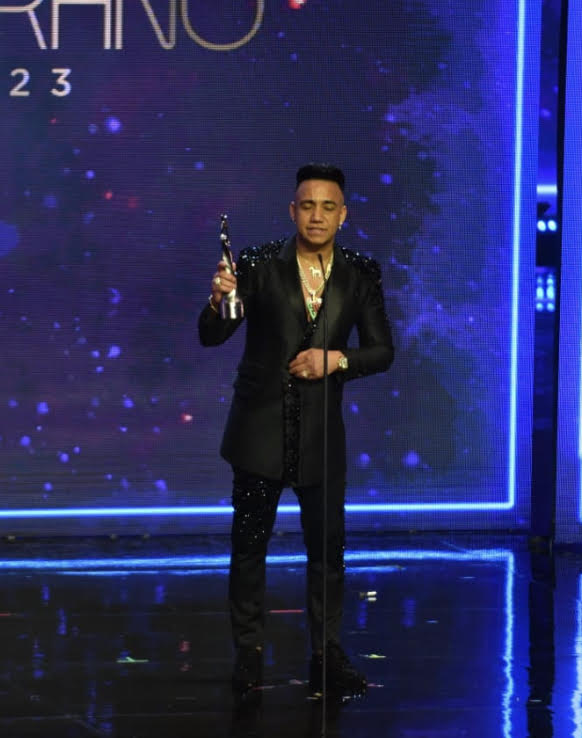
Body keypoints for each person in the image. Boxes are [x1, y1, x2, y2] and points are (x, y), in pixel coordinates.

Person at [198, 163, 394, 699]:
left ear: (343, 215)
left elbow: (382, 351)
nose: (317, 216)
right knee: (249, 548)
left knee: (328, 552)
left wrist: (336, 359)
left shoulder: (361, 272)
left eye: (328, 207)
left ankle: (327, 655)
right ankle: (249, 653)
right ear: (293, 211)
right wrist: (218, 299)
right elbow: (212, 335)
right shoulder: (258, 263)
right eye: (308, 206)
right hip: (259, 430)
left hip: (320, 437)